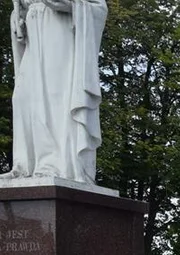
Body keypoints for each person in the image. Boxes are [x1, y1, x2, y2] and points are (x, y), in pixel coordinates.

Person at [5, 0, 107, 184]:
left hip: (60, 32)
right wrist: (18, 18)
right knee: (24, 98)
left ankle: (54, 165)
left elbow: (97, 7)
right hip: (34, 36)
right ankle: (24, 165)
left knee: (53, 97)